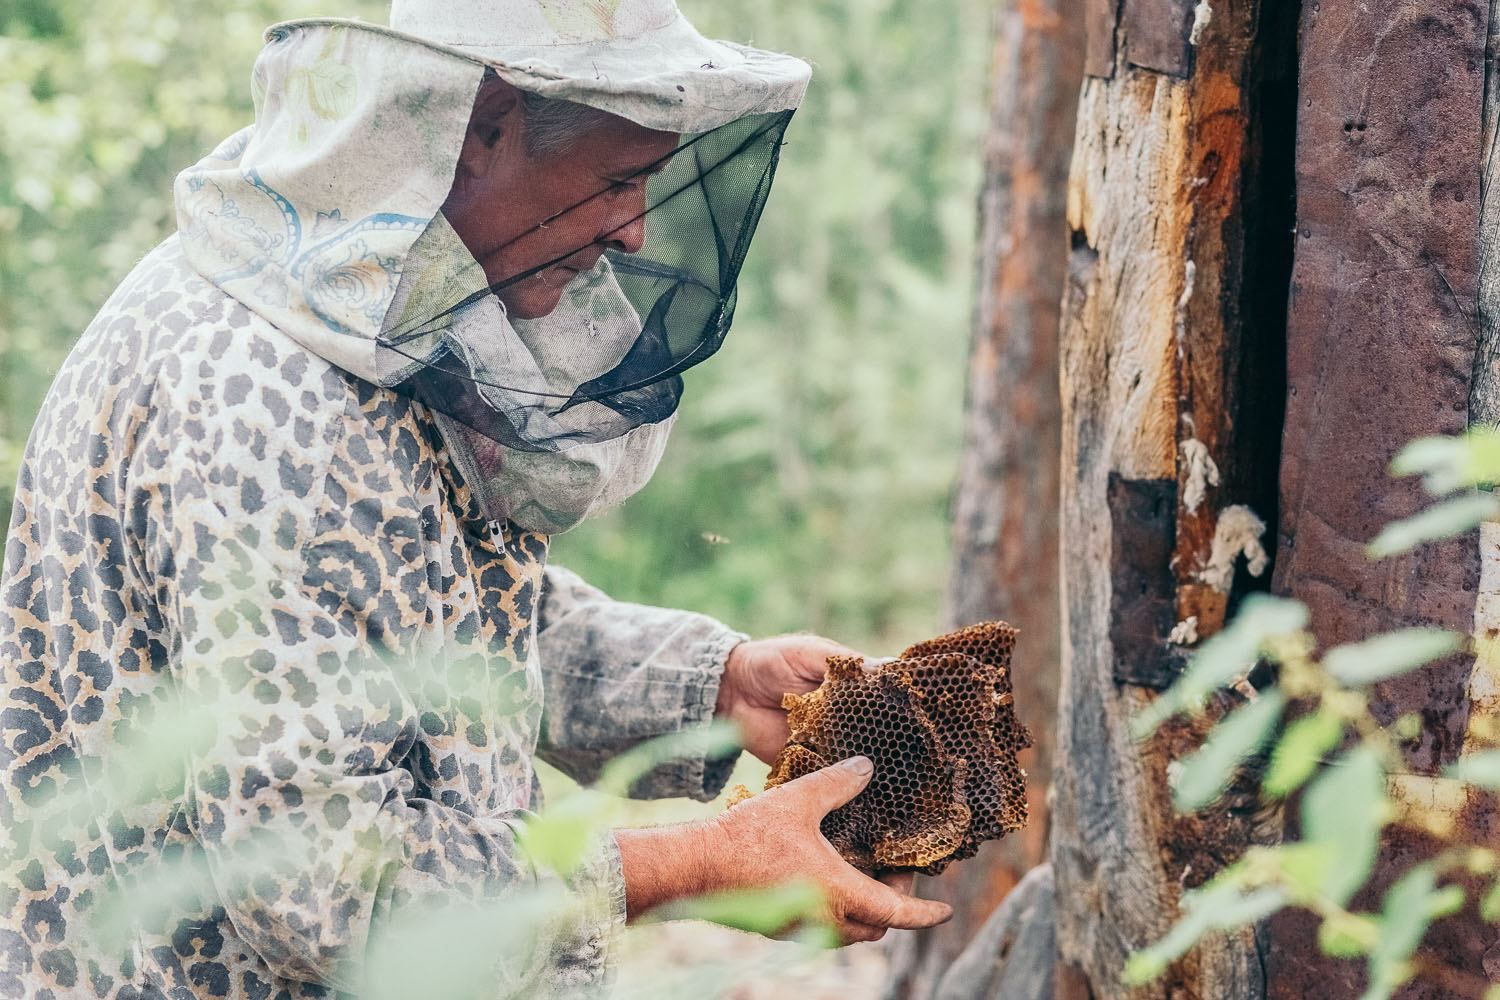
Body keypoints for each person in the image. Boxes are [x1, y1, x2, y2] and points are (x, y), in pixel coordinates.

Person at [0, 1, 953, 996]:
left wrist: (715, 685)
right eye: (617, 179)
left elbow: (428, 632)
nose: (633, 230)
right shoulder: (276, 404)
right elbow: (325, 891)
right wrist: (703, 862)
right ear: (486, 123)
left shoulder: (361, 300)